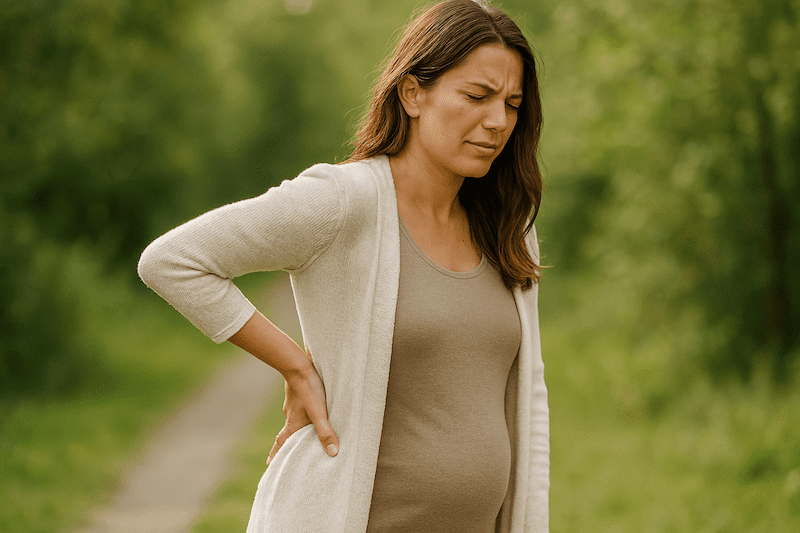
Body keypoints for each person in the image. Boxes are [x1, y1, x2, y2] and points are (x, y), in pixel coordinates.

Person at [137, 0, 549, 531]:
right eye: (476, 96)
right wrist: (294, 364)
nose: (497, 121)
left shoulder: (509, 228)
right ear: (413, 93)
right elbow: (173, 260)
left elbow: (528, 400)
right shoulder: (344, 201)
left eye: (513, 104)